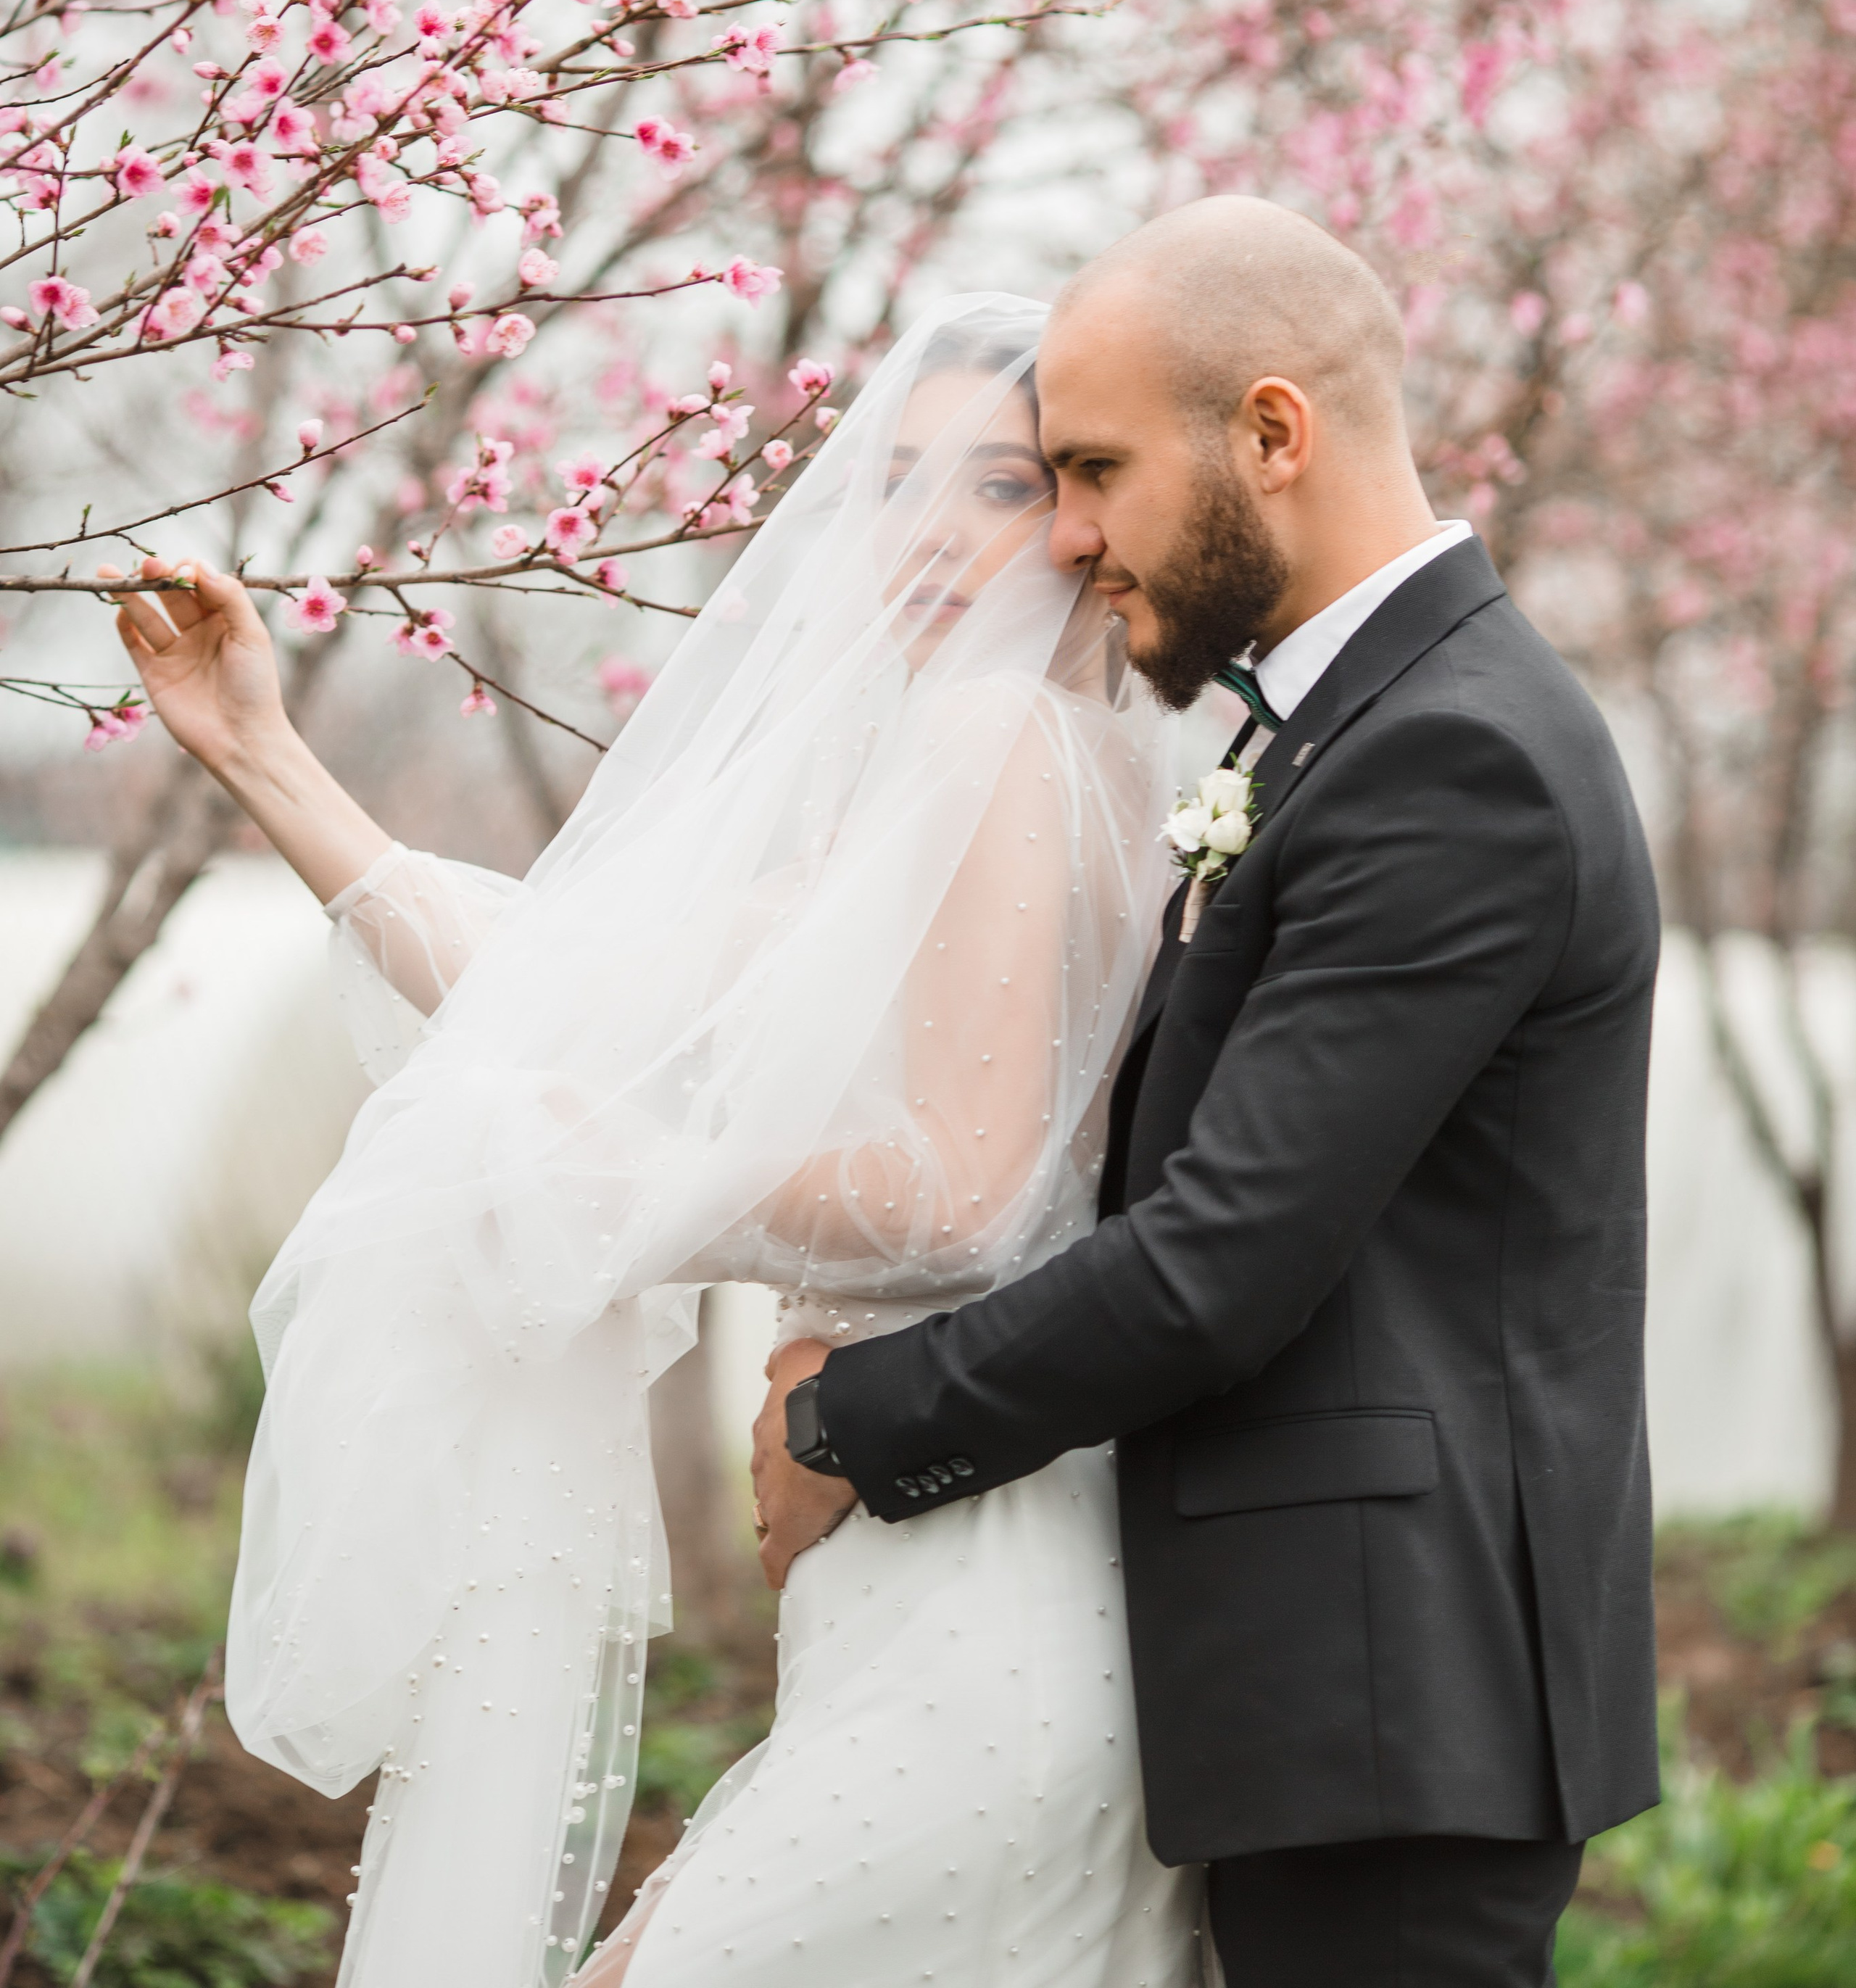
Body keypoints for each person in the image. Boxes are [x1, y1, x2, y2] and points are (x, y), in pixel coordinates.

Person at [112, 295, 1211, 1988]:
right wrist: (260, 751)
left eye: (993, 488)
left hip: (980, 1586)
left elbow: (970, 1195)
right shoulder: (1013, 775)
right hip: (952, 1578)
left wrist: (620, 1200)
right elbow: (561, 990)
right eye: (896, 484)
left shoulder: (996, 743)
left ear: (1084, 515)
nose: (924, 535)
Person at [752, 198, 1663, 1988]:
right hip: (1328, 1693)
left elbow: (1217, 1261)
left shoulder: (1448, 757)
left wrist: (845, 1419)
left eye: (1091, 470)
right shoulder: (1325, 730)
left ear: (1269, 432)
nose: (1072, 534)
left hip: (1392, 1707)